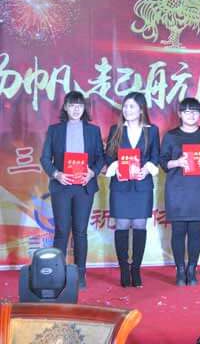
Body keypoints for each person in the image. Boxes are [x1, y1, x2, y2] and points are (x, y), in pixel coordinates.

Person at [40, 91, 105, 288]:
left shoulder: (93, 130)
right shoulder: (55, 130)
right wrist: (57, 174)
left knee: (80, 231)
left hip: (84, 187)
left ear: (84, 108)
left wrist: (92, 173)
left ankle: (80, 274)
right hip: (62, 187)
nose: (76, 109)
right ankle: (57, 274)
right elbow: (45, 158)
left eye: (80, 105)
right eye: (72, 105)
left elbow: (100, 158)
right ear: (66, 107)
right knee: (61, 230)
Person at [160, 98, 200, 286]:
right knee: (178, 231)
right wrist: (177, 162)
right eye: (186, 111)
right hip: (177, 189)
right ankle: (179, 269)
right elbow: (163, 162)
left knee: (195, 232)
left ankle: (192, 269)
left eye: (195, 111)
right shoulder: (171, 136)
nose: (191, 115)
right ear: (180, 114)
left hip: (198, 190)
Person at [105, 92, 160, 288]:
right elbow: (108, 156)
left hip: (142, 186)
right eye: (125, 106)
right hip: (121, 185)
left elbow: (156, 157)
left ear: (141, 110)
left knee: (139, 225)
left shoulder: (151, 131)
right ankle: (123, 269)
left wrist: (147, 169)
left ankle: (135, 269)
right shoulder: (116, 130)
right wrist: (116, 168)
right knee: (121, 225)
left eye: (132, 106)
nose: (127, 110)